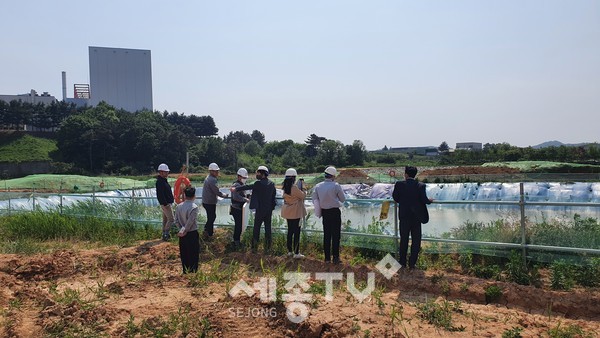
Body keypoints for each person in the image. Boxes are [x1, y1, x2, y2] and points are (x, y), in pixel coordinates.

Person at [392, 166, 433, 270]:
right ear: (415, 174)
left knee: (404, 240)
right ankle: (412, 263)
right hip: (416, 217)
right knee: (416, 241)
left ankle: (402, 263)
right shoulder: (420, 185)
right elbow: (424, 200)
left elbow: (395, 198)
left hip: (404, 216)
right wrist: (430, 200)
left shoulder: (399, 184)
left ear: (406, 174)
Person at [231, 165, 276, 252]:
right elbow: (273, 198)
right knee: (268, 229)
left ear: (263, 174)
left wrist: (235, 189)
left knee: (256, 229)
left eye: (258, 173)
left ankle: (254, 248)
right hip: (268, 210)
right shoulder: (271, 184)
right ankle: (267, 248)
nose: (257, 174)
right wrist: (272, 208)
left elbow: (247, 186)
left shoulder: (258, 184)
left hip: (259, 210)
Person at [312, 166, 346, 264]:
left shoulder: (318, 186)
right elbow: (343, 199)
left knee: (327, 235)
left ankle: (327, 258)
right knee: (336, 235)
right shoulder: (336, 185)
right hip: (335, 212)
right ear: (333, 176)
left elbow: (314, 199)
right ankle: (335, 257)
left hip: (325, 213)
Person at [281, 168, 307, 258]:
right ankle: (296, 253)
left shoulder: (285, 187)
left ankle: (289, 251)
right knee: (297, 232)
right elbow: (303, 195)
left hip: (288, 212)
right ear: (293, 177)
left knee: (290, 231)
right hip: (295, 212)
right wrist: (303, 187)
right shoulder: (294, 188)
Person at [175, 187, 200, 273]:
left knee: (184, 253)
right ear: (194, 196)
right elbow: (190, 221)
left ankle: (185, 271)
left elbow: (176, 221)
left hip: (182, 234)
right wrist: (186, 230)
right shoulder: (194, 207)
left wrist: (181, 230)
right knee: (193, 253)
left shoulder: (179, 206)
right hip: (192, 233)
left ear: (185, 195)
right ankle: (193, 272)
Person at [202, 162, 228, 239]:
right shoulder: (212, 180)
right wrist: (224, 195)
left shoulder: (208, 178)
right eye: (216, 171)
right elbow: (216, 191)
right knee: (212, 217)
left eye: (217, 171)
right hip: (209, 202)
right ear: (211, 171)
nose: (217, 172)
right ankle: (208, 233)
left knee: (211, 217)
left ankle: (208, 232)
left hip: (206, 201)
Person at [230, 168, 250, 249]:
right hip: (236, 208)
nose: (245, 179)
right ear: (239, 177)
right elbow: (235, 197)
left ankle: (237, 240)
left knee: (240, 225)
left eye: (245, 178)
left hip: (239, 208)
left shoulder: (241, 185)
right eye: (244, 178)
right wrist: (245, 199)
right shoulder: (236, 185)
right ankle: (236, 242)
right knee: (238, 225)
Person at [155, 163, 174, 241]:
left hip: (165, 203)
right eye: (165, 172)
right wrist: (165, 203)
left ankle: (164, 234)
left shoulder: (163, 181)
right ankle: (166, 233)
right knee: (171, 219)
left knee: (165, 219)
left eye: (167, 172)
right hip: (166, 204)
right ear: (161, 172)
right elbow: (160, 195)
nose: (167, 173)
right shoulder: (160, 182)